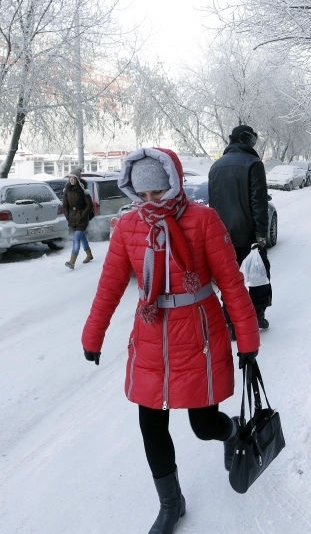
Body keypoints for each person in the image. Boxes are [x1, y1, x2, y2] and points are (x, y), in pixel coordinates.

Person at [81, 148, 260, 534]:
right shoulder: (129, 227)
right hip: (150, 336)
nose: (150, 203)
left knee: (203, 423)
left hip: (199, 335)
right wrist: (93, 334)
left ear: (174, 185)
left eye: (157, 193)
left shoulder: (203, 220)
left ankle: (229, 432)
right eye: (142, 196)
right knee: (151, 424)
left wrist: (247, 340)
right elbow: (109, 286)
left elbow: (230, 282)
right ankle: (171, 503)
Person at [208, 124, 272, 331]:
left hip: (222, 237)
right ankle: (257, 315)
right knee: (257, 274)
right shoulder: (254, 164)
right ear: (247, 140)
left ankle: (230, 321)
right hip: (249, 235)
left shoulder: (215, 167)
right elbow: (258, 203)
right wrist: (261, 235)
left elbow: (213, 204)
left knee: (230, 279)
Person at [62, 169, 93, 269]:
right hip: (72, 218)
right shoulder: (67, 190)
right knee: (82, 237)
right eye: (70, 178)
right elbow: (65, 206)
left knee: (76, 239)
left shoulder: (83, 191)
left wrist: (82, 215)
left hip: (82, 219)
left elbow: (89, 205)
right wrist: (68, 216)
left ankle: (72, 261)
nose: (71, 180)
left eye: (73, 178)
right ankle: (89, 254)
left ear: (77, 179)